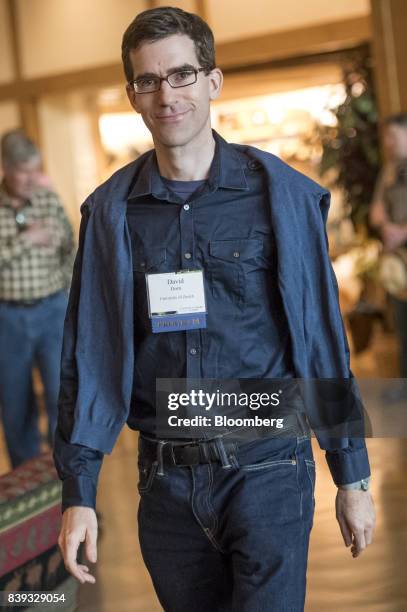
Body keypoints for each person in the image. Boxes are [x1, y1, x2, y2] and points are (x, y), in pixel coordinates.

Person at [54, 7, 375, 611]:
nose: (166, 95)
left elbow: (320, 340)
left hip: (269, 469)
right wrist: (80, 492)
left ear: (212, 81)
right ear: (132, 94)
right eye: (148, 81)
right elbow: (88, 356)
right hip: (165, 484)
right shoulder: (111, 213)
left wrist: (351, 476)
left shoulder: (281, 195)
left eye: (180, 75)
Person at [0, 129, 75, 468]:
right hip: (8, 316)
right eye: (23, 171)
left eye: (35, 169)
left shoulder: (46, 199)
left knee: (62, 394)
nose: (31, 179)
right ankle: (29, 487)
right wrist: (27, 240)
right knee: (15, 402)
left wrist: (68, 291)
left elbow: (69, 246)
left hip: (51, 309)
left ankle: (68, 482)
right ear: (5, 167)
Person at [370, 113, 407, 400]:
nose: (388, 143)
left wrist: (402, 232)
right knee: (402, 323)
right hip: (398, 264)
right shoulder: (390, 170)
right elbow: (376, 212)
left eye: (393, 137)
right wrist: (387, 228)